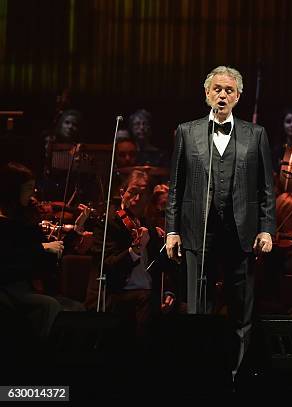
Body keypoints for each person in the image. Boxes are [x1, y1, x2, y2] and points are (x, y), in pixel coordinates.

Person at [165, 66, 275, 376]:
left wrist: (267, 229)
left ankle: (236, 374)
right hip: (198, 231)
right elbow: (176, 186)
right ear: (206, 94)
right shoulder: (187, 131)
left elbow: (267, 187)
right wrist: (172, 230)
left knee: (242, 308)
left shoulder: (257, 134)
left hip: (242, 233)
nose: (222, 94)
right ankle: (200, 371)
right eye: (217, 89)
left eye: (229, 90)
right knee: (200, 305)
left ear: (238, 96)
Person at [90, 170, 167, 337]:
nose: (137, 199)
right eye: (133, 192)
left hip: (145, 292)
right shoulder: (109, 223)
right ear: (122, 192)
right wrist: (135, 250)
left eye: (143, 194)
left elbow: (160, 268)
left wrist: (168, 292)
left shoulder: (149, 226)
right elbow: (107, 266)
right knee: (148, 301)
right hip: (115, 293)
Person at [0, 162, 63, 342]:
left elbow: (39, 261)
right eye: (28, 188)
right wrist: (41, 248)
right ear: (13, 190)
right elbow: (9, 259)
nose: (32, 193)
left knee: (69, 307)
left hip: (24, 285)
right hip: (7, 287)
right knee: (49, 306)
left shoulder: (25, 218)